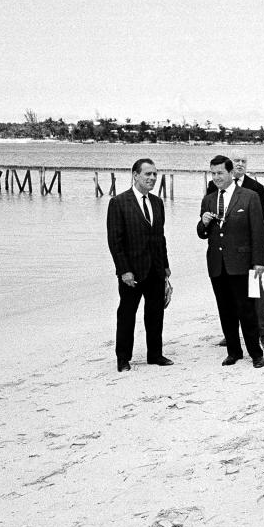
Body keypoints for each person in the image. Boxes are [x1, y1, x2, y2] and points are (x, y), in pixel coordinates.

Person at [197, 155, 264, 368]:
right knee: (225, 310)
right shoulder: (208, 199)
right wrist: (203, 223)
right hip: (217, 265)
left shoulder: (249, 196)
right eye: (213, 173)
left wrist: (258, 262)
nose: (216, 177)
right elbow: (202, 233)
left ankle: (256, 353)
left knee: (247, 309)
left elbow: (258, 232)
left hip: (244, 264)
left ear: (230, 173)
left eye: (220, 173)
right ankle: (233, 352)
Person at [106, 158, 173, 372]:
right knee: (127, 314)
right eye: (148, 174)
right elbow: (115, 241)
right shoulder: (119, 202)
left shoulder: (157, 202)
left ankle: (155, 354)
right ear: (135, 175)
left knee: (155, 314)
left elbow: (160, 237)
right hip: (131, 272)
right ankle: (123, 358)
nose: (153, 178)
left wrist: (165, 267)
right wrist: (123, 270)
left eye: (155, 174)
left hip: (155, 269)